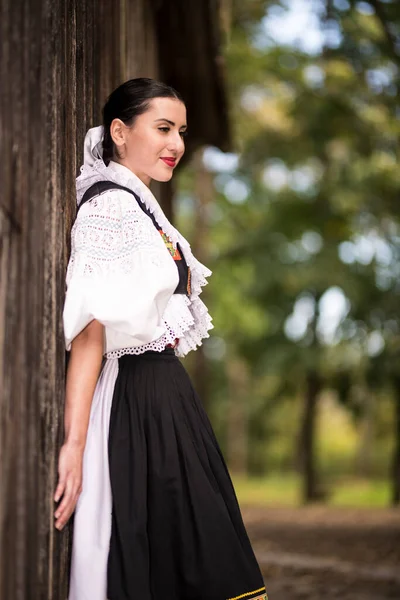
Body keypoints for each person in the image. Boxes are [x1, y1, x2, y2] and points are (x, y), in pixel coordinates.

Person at [54, 77, 267, 600]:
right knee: (180, 553)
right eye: (164, 128)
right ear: (120, 132)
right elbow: (89, 331)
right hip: (136, 402)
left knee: (199, 549)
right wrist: (74, 445)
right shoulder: (111, 209)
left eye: (182, 132)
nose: (176, 144)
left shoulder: (140, 204)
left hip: (164, 398)